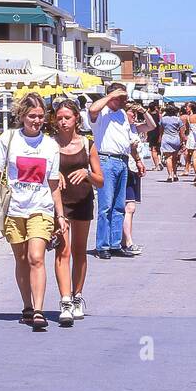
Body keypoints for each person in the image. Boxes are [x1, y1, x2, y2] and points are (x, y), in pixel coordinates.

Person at [0, 93, 67, 331]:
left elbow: (53, 184)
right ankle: (27, 306)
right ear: (22, 116)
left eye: (40, 116)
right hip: (15, 208)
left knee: (36, 257)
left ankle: (38, 310)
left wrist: (60, 215)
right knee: (20, 259)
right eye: (32, 116)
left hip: (41, 208)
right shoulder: (8, 140)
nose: (37, 121)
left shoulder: (50, 145)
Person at [51, 99, 103, 325]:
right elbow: (39, 171)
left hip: (82, 199)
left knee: (79, 251)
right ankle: (65, 300)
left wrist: (87, 174)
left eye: (67, 118)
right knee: (62, 250)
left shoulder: (86, 143)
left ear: (76, 120)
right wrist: (54, 174)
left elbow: (100, 180)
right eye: (59, 118)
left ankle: (77, 295)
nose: (63, 122)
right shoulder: (49, 144)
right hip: (59, 203)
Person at [88, 82, 133, 258]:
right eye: (121, 97)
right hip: (106, 160)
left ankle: (115, 244)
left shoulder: (122, 114)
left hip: (122, 161)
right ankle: (102, 245)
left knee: (119, 206)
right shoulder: (102, 113)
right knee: (105, 206)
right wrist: (111, 96)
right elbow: (92, 110)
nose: (124, 101)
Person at [122, 114, 147, 256]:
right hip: (126, 168)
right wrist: (138, 160)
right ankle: (128, 241)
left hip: (133, 169)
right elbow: (131, 148)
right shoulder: (122, 129)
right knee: (129, 207)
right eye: (131, 115)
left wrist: (143, 110)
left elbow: (152, 125)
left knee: (128, 207)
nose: (134, 117)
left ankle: (124, 240)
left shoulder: (134, 128)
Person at [158, 103, 184, 182]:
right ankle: (175, 174)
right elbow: (181, 132)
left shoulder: (163, 119)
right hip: (175, 138)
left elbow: (161, 130)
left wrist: (160, 138)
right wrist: (182, 141)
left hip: (166, 138)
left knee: (168, 158)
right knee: (175, 158)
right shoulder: (178, 119)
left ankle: (170, 175)